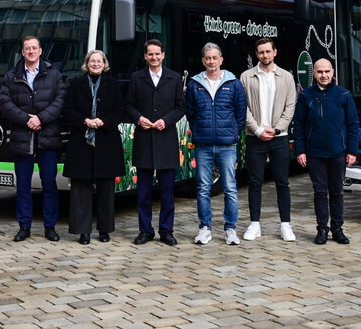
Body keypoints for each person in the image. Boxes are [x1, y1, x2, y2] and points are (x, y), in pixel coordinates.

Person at [0, 35, 66, 242]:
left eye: (34, 48)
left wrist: (41, 119)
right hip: (22, 137)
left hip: (47, 137)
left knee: (49, 185)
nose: (31, 51)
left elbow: (60, 100)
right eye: (27, 48)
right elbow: (4, 102)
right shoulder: (12, 75)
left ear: (40, 51)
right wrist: (26, 119)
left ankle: (50, 227)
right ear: (22, 52)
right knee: (23, 187)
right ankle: (24, 226)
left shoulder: (54, 75)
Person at [184, 43, 247, 246]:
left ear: (221, 60)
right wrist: (199, 131)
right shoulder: (194, 84)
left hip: (227, 145)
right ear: (203, 61)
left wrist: (233, 133)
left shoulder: (233, 83)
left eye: (215, 58)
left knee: (230, 188)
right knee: (203, 189)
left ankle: (230, 229)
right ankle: (205, 228)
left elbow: (240, 112)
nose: (211, 61)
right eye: (207, 58)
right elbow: (191, 114)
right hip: (203, 145)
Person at [126, 39, 186, 246]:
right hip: (144, 140)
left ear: (163, 55)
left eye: (157, 54)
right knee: (143, 192)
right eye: (150, 54)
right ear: (145, 56)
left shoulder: (174, 78)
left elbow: (181, 107)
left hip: (166, 140)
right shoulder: (136, 78)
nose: (154, 58)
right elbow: (129, 105)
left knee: (167, 192)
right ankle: (145, 230)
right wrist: (138, 118)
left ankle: (166, 230)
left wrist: (166, 121)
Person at [293, 58, 360, 245]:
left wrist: (352, 151)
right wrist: (300, 150)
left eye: (327, 71)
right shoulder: (306, 96)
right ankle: (322, 229)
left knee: (337, 192)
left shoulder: (344, 95)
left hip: (339, 152)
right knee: (320, 192)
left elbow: (353, 124)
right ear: (314, 74)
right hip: (315, 153)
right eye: (320, 72)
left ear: (332, 73)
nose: (324, 75)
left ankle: (337, 229)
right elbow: (299, 124)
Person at [239, 37, 298, 242]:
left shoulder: (286, 77)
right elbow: (242, 107)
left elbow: (290, 107)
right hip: (255, 138)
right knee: (254, 182)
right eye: (261, 52)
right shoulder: (246, 77)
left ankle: (285, 225)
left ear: (275, 52)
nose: (265, 55)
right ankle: (255, 224)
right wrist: (256, 130)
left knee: (282, 182)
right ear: (257, 55)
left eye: (268, 51)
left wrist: (277, 128)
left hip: (279, 137)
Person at [63, 50, 124, 244]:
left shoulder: (113, 84)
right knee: (81, 189)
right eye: (92, 61)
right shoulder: (76, 84)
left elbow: (120, 110)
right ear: (86, 63)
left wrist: (103, 121)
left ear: (104, 64)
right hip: (81, 141)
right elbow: (68, 110)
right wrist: (84, 121)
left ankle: (105, 230)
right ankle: (83, 231)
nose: (95, 64)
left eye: (99, 61)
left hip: (106, 140)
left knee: (106, 189)